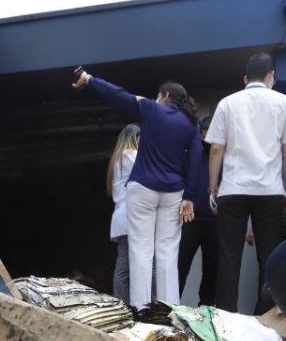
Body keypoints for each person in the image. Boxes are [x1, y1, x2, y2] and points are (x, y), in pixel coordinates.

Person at [73, 68, 198, 308]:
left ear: (164, 95)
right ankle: (170, 307)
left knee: (141, 248)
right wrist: (190, 196)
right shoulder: (190, 125)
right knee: (167, 250)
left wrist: (89, 80)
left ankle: (141, 309)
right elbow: (193, 160)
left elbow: (118, 95)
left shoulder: (152, 109)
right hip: (174, 191)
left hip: (143, 187)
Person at [205, 52, 286, 314]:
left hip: (233, 188)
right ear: (271, 76)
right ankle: (265, 315)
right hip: (269, 189)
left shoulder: (227, 103)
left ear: (245, 78)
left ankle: (226, 315)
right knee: (269, 257)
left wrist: (213, 187)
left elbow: (216, 149)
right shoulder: (284, 102)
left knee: (229, 256)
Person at [177, 115, 218, 306]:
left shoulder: (224, 154)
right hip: (189, 218)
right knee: (180, 264)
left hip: (215, 220)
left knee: (212, 269)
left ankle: (206, 309)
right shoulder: (191, 153)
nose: (207, 140)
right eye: (204, 135)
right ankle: (171, 304)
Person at [107, 123, 140, 303]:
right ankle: (123, 303)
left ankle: (122, 302)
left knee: (124, 264)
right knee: (126, 267)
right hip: (130, 216)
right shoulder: (131, 155)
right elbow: (145, 173)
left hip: (121, 215)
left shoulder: (117, 158)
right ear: (135, 138)